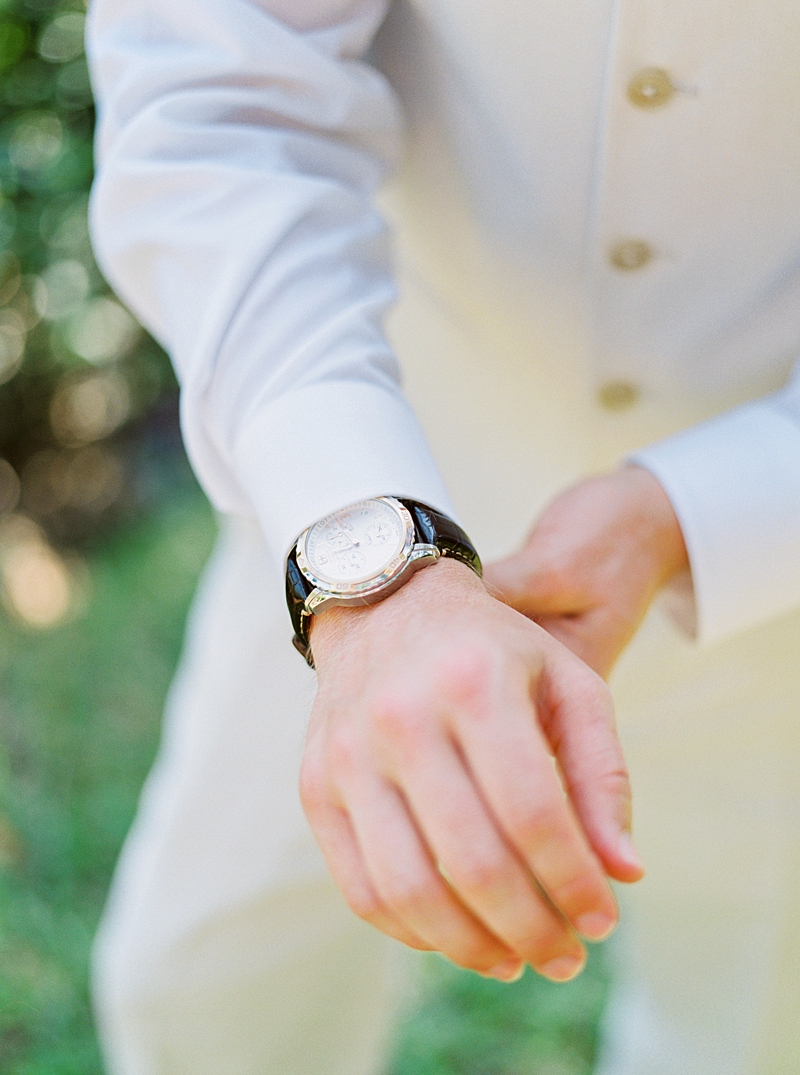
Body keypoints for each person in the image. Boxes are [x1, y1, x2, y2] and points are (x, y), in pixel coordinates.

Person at [85, 1, 800, 1073]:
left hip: (775, 591)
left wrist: (707, 505)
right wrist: (373, 569)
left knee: (747, 1024)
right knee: (206, 990)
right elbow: (219, 87)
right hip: (372, 463)